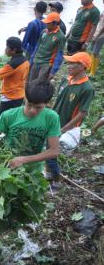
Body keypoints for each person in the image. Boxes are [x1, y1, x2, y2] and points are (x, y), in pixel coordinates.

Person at [45, 52, 95, 182]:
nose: (68, 66)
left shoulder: (87, 88)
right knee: (47, 148)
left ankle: (55, 180)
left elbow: (82, 113)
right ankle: (47, 172)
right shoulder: (66, 79)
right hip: (53, 119)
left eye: (72, 63)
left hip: (64, 125)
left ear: (81, 66)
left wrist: (64, 129)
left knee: (51, 153)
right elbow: (58, 100)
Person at [0, 80, 61, 171]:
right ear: (25, 98)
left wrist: (24, 159)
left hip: (33, 170)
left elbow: (54, 151)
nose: (32, 110)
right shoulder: (9, 115)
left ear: (47, 104)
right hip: (7, 164)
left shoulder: (51, 118)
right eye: (29, 105)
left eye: (38, 107)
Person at [28, 12, 66, 82]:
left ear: (55, 23)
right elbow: (37, 47)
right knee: (30, 83)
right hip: (36, 61)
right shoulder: (44, 32)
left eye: (48, 23)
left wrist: (53, 71)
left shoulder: (60, 37)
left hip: (46, 65)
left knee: (39, 85)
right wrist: (31, 60)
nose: (46, 24)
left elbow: (59, 55)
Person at [88, 0, 104, 75]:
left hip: (101, 35)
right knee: (91, 51)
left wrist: (97, 35)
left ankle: (93, 72)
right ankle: (90, 67)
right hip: (96, 33)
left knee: (95, 52)